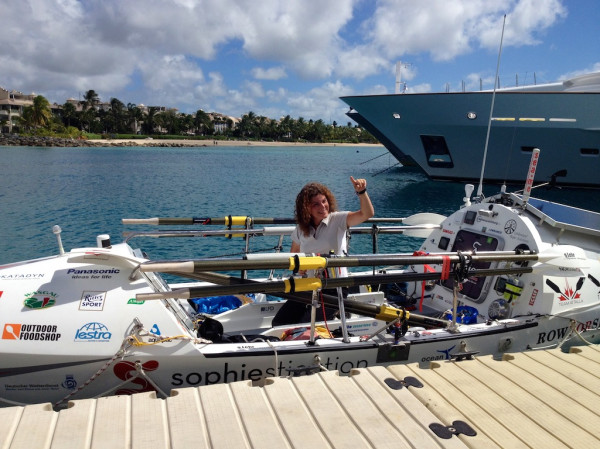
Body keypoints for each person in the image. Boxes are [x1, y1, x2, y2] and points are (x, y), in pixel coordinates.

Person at [272, 177, 374, 327]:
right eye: (316, 204)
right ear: (306, 208)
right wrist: (300, 268)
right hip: (308, 285)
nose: (323, 206)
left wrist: (362, 192)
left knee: (305, 325)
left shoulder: (338, 220)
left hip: (334, 287)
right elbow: (294, 255)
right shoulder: (301, 228)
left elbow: (367, 214)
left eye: (324, 201)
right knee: (279, 322)